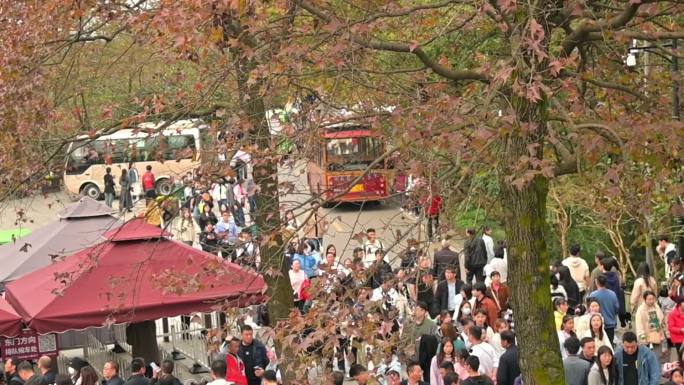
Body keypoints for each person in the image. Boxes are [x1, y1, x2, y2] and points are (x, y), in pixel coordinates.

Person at [589, 274, 620, 344]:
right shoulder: (613, 294)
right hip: (610, 324)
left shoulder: (593, 295)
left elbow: (589, 310)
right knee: (609, 345)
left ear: (596, 282)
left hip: (597, 325)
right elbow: (617, 309)